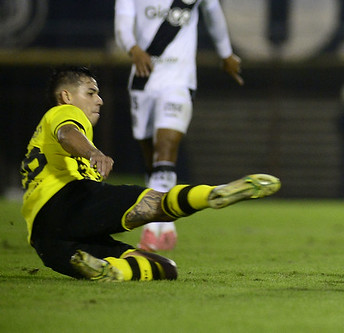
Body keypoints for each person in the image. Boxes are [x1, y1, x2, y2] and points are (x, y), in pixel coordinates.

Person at [20, 65, 280, 281]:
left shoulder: (44, 138)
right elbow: (67, 133)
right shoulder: (63, 112)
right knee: (159, 205)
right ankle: (212, 194)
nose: (99, 100)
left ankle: (114, 270)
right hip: (69, 201)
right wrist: (93, 153)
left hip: (47, 241)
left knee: (166, 268)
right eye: (90, 92)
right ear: (66, 96)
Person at [114, 0, 244, 252]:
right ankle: (165, 219)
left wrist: (227, 54)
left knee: (166, 149)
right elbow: (122, 22)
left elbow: (215, 19)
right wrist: (133, 48)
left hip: (179, 79)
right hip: (143, 79)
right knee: (150, 158)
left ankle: (155, 228)